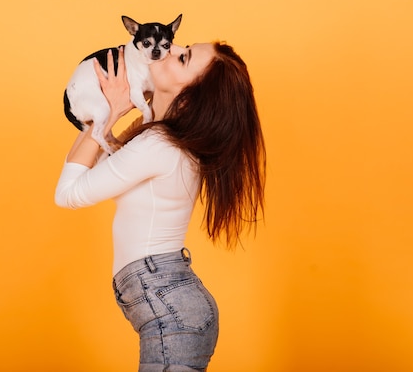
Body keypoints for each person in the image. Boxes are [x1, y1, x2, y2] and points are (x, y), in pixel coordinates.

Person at [55, 41, 266, 371]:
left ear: (190, 95)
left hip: (171, 308)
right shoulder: (154, 133)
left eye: (182, 57)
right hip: (172, 301)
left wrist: (108, 111)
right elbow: (92, 162)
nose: (170, 48)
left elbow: (68, 193)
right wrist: (105, 111)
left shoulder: (158, 145)